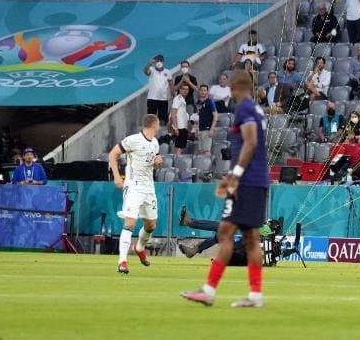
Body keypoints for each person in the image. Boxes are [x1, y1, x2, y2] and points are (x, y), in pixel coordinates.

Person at [182, 70, 270, 308]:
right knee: (251, 238)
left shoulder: (244, 108)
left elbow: (250, 142)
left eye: (231, 87)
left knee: (225, 232)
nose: (230, 92)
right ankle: (255, 295)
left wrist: (235, 176)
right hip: (258, 181)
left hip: (246, 183)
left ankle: (209, 291)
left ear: (237, 87)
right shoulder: (256, 109)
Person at [109, 114, 162, 274]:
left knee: (151, 225)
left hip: (149, 187)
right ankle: (122, 262)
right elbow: (113, 153)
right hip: (134, 186)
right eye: (158, 124)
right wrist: (117, 176)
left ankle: (139, 247)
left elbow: (152, 166)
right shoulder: (133, 140)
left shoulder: (155, 143)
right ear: (155, 125)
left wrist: (157, 164)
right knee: (130, 223)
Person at [143, 56, 171, 125]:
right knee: (151, 120)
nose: (159, 62)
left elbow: (171, 83)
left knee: (163, 120)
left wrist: (172, 94)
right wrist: (149, 63)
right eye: (157, 61)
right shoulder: (151, 70)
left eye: (161, 61)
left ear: (163, 62)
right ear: (155, 62)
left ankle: (161, 131)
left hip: (163, 99)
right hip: (152, 98)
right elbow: (145, 71)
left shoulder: (168, 72)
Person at [169, 85, 192, 152]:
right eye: (183, 89)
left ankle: (178, 158)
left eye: (187, 89)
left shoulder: (183, 100)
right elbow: (173, 113)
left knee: (181, 147)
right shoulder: (177, 99)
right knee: (179, 147)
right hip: (179, 127)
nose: (185, 91)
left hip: (183, 127)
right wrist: (175, 128)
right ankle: (177, 158)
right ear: (180, 90)